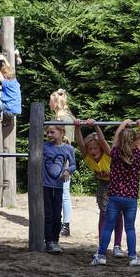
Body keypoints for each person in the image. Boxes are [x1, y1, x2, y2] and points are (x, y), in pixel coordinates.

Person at [92, 120, 140, 267]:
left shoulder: (115, 153)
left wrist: (123, 124)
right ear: (134, 141)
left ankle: (101, 255)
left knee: (108, 226)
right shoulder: (137, 154)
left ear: (120, 140)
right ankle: (133, 257)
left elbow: (115, 138)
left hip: (115, 197)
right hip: (130, 199)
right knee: (130, 228)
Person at [77, 120, 125, 258]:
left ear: (101, 149)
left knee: (118, 215)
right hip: (103, 187)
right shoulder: (88, 158)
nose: (92, 151)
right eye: (90, 149)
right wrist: (77, 128)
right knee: (104, 214)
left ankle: (117, 246)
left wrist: (96, 126)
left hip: (117, 185)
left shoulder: (108, 155)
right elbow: (81, 144)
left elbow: (102, 140)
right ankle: (102, 245)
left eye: (95, 148)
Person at [42, 124, 76, 254]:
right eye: (47, 132)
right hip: (45, 185)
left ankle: (55, 241)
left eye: (52, 132)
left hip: (58, 186)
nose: (49, 135)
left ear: (61, 133)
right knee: (48, 214)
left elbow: (73, 165)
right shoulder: (44, 147)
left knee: (57, 215)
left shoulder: (68, 149)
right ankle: (49, 241)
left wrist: (67, 170)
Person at [49, 89, 76, 237]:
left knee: (64, 192)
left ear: (55, 102)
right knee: (59, 192)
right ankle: (59, 221)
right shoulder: (64, 117)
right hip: (57, 158)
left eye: (50, 101)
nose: (49, 103)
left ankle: (65, 225)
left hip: (62, 159)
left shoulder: (63, 119)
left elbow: (67, 140)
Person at [0, 57, 21, 122]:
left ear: (5, 76)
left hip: (9, 111)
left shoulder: (5, 83)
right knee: (1, 99)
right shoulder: (16, 82)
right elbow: (11, 70)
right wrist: (5, 59)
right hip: (17, 111)